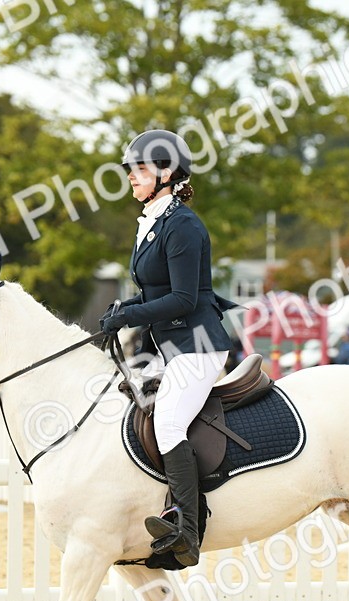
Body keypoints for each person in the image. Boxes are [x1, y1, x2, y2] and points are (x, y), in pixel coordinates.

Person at [98, 129, 240, 568]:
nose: (129, 178)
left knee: (168, 425)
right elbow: (154, 290)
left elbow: (184, 299)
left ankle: (187, 530)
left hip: (197, 346)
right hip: (168, 345)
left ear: (166, 173)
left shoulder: (182, 226)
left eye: (138, 170)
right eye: (129, 170)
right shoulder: (154, 222)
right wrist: (124, 308)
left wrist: (128, 316)